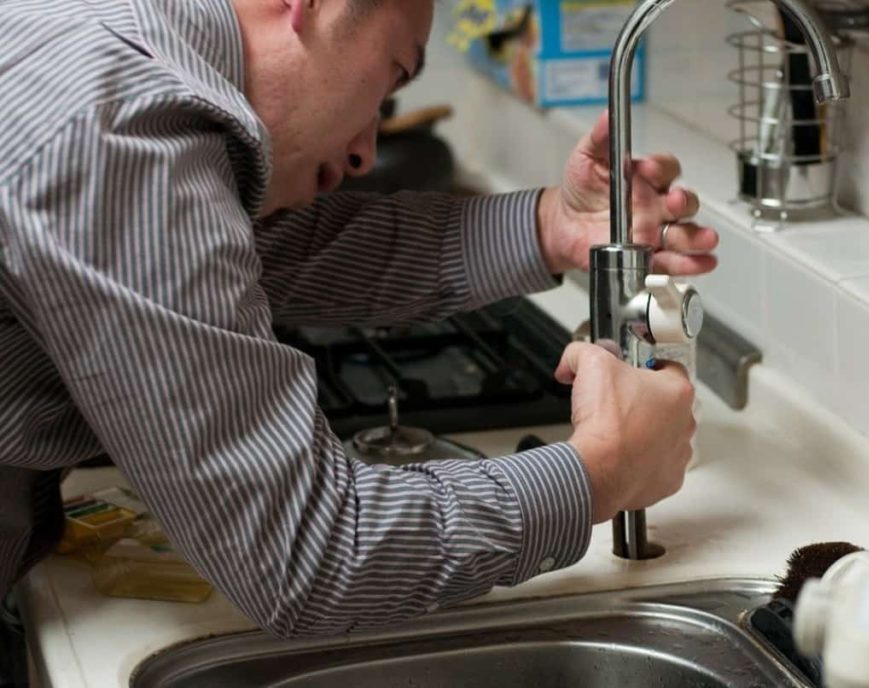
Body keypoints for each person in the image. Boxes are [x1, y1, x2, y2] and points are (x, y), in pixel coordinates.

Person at [0, 0, 719, 661]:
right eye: (392, 78)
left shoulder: (114, 44)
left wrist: (548, 227)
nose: (366, 153)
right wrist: (599, 471)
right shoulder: (122, 125)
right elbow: (307, 557)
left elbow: (255, 255)